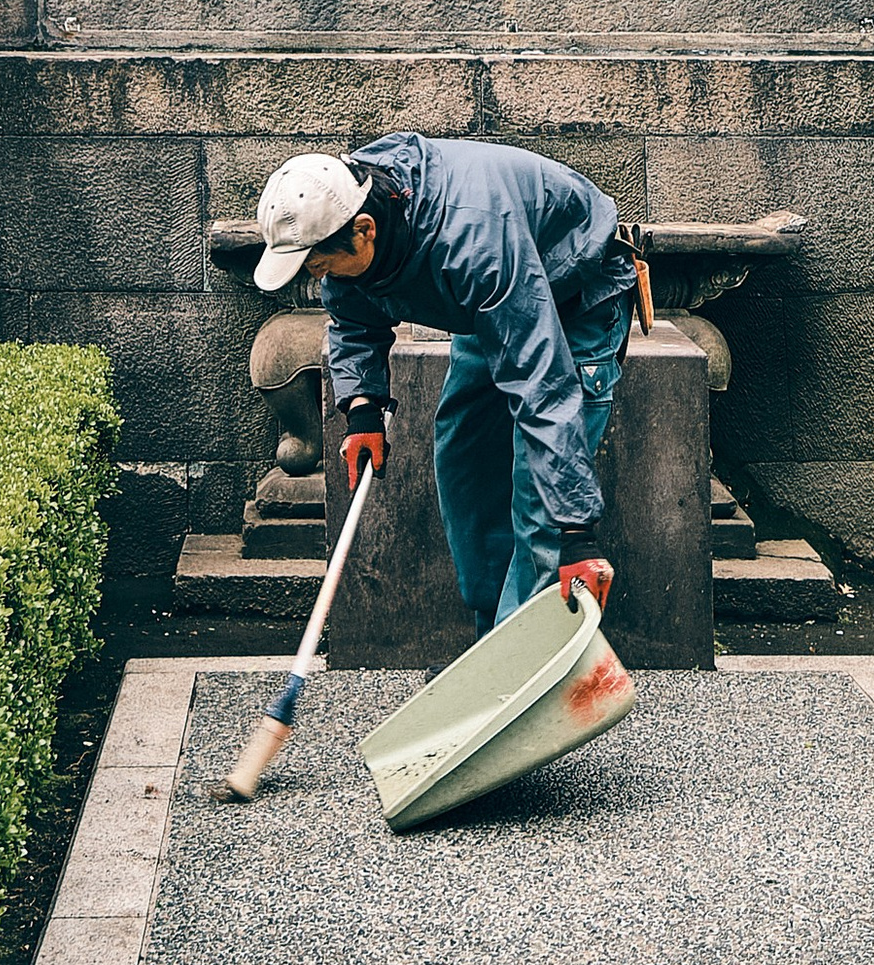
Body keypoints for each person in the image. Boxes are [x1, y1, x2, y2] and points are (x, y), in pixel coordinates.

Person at [252, 135, 630, 629]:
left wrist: (576, 530)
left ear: (364, 231)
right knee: (463, 458)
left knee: (542, 505)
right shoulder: (355, 204)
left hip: (573, 294)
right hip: (490, 303)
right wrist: (363, 410)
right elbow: (352, 318)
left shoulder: (473, 239)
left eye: (319, 264)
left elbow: (543, 388)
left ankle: (514, 665)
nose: (318, 276)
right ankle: (492, 639)